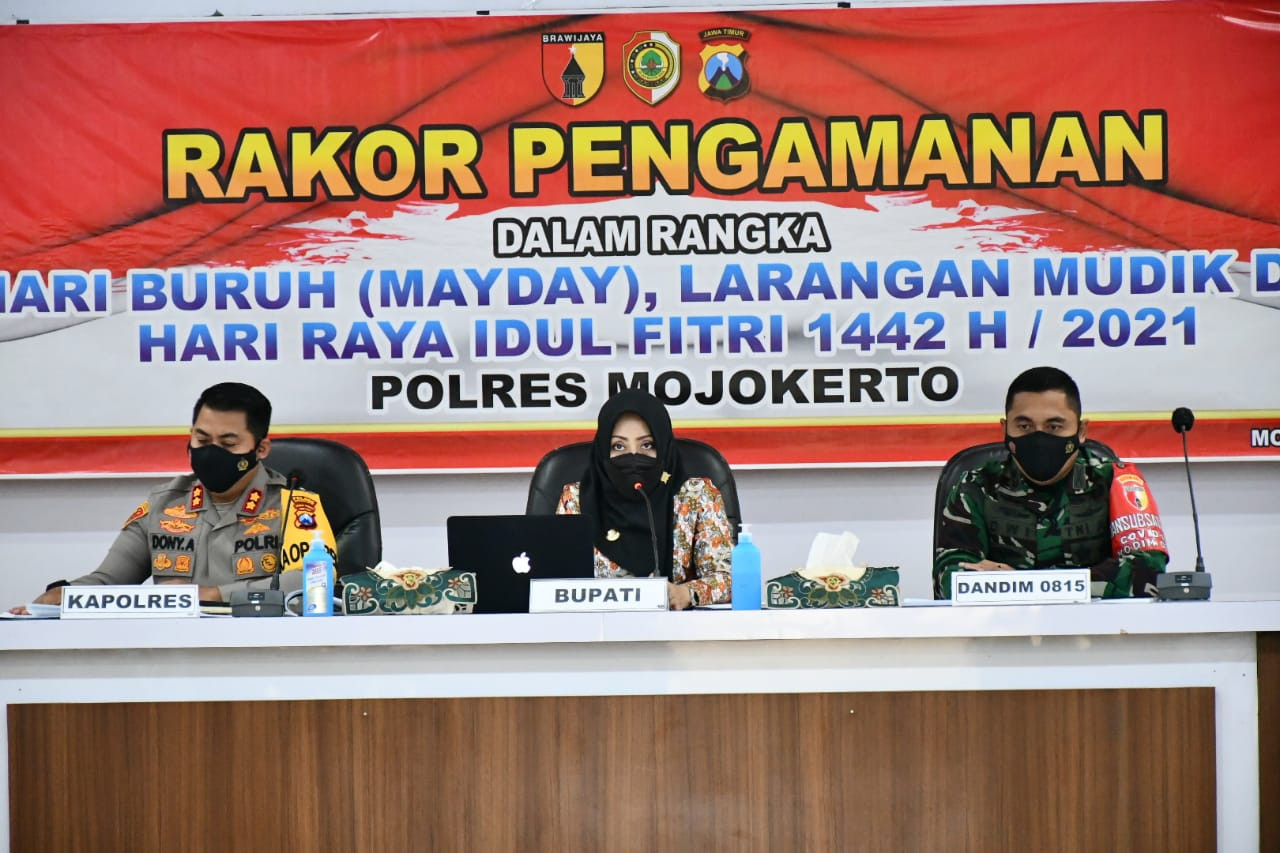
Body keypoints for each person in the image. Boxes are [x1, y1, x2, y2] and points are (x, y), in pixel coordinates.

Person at [10, 382, 337, 611]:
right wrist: (64, 597)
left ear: (260, 448)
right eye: (202, 438)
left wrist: (211, 595)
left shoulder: (294, 504)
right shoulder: (162, 504)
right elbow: (107, 581)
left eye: (228, 444)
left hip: (265, 652)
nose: (211, 452)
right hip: (170, 660)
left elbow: (309, 583)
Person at [933, 366, 1168, 599]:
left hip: (1096, 630)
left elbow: (1148, 571)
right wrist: (1086, 583)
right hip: (1003, 630)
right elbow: (951, 577)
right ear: (1005, 429)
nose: (1039, 437)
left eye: (1054, 427)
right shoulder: (976, 486)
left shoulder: (1114, 481)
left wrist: (1027, 585)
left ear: (1081, 430)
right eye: (1024, 427)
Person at [556, 389, 733, 609]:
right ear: (603, 449)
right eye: (618, 446)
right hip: (594, 633)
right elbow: (556, 583)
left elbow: (729, 579)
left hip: (677, 634)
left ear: (663, 447)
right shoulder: (575, 499)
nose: (633, 456)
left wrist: (686, 593)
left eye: (647, 445)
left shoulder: (696, 495)